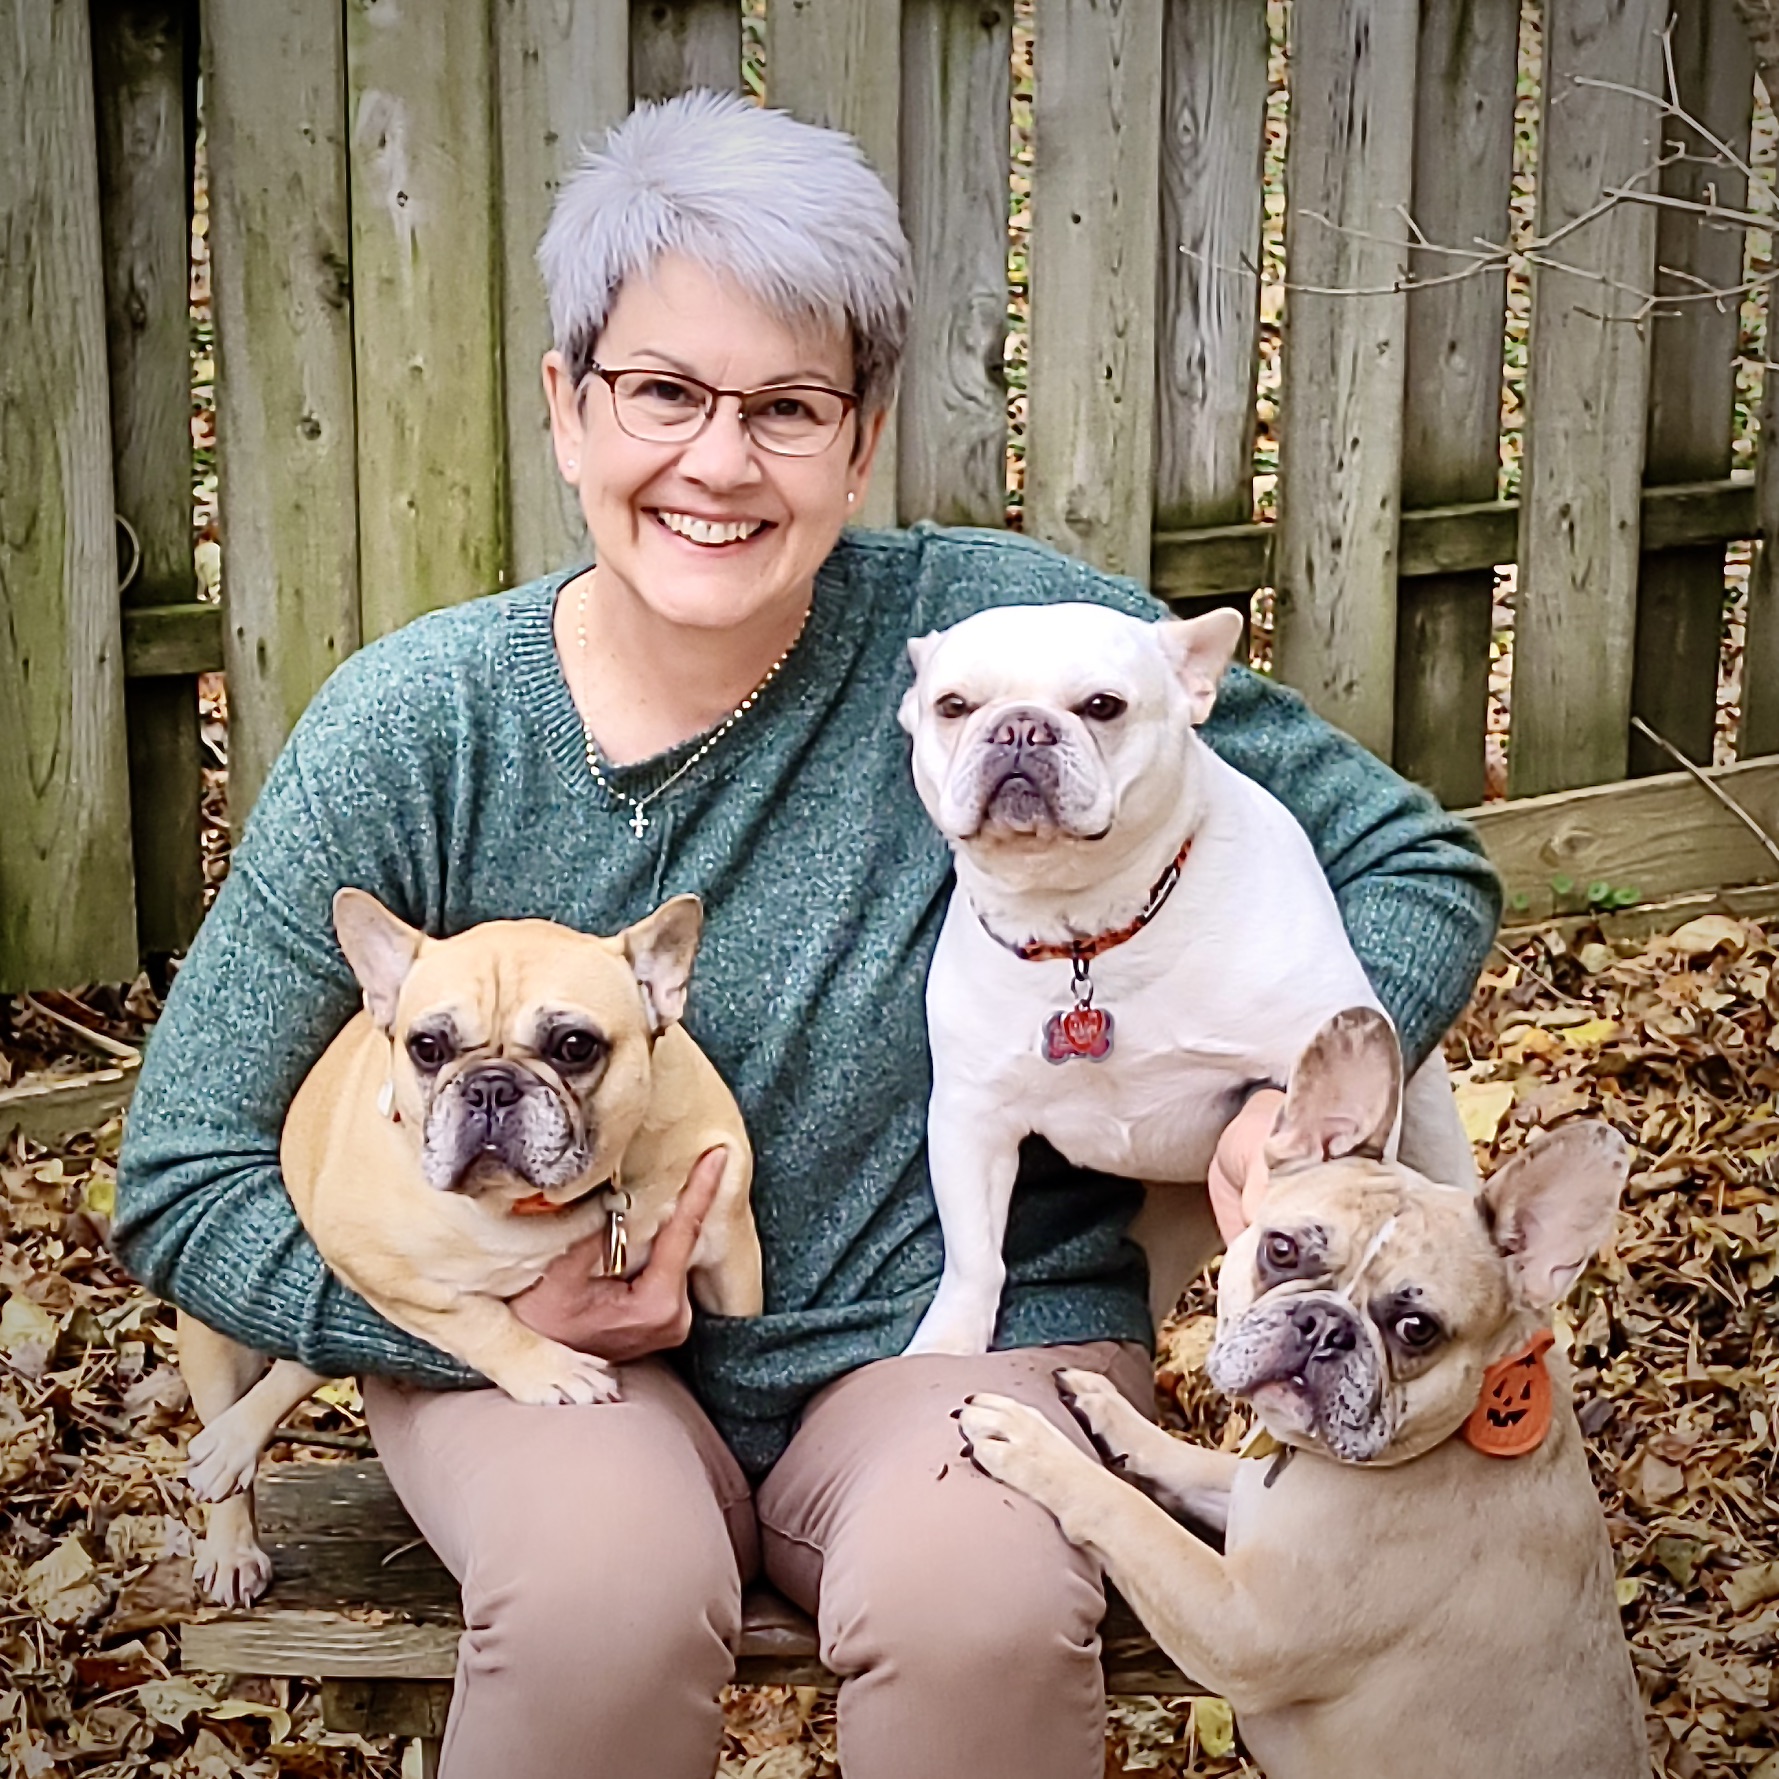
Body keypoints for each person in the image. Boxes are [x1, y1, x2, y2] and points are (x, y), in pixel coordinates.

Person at [115, 90, 1499, 1779]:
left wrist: (1306, 1120)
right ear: (567, 410)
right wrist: (477, 1325)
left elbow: (1416, 864)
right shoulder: (418, 729)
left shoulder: (999, 648)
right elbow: (183, 1177)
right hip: (539, 1359)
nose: (717, 460)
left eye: (786, 406)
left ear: (862, 436)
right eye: (662, 394)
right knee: (594, 1600)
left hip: (965, 1323)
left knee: (977, 1605)